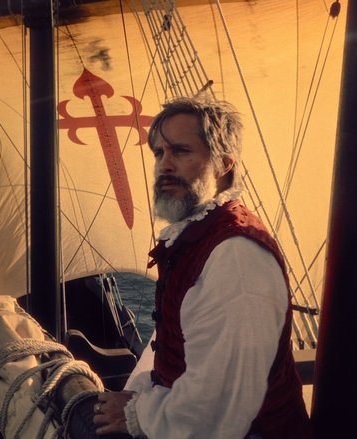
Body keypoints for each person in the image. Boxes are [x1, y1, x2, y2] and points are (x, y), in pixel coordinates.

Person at [92, 96, 312, 438]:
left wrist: (136, 414)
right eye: (159, 153)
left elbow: (217, 410)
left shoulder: (236, 257)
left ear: (223, 164)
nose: (165, 165)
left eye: (181, 151)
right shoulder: (200, 236)